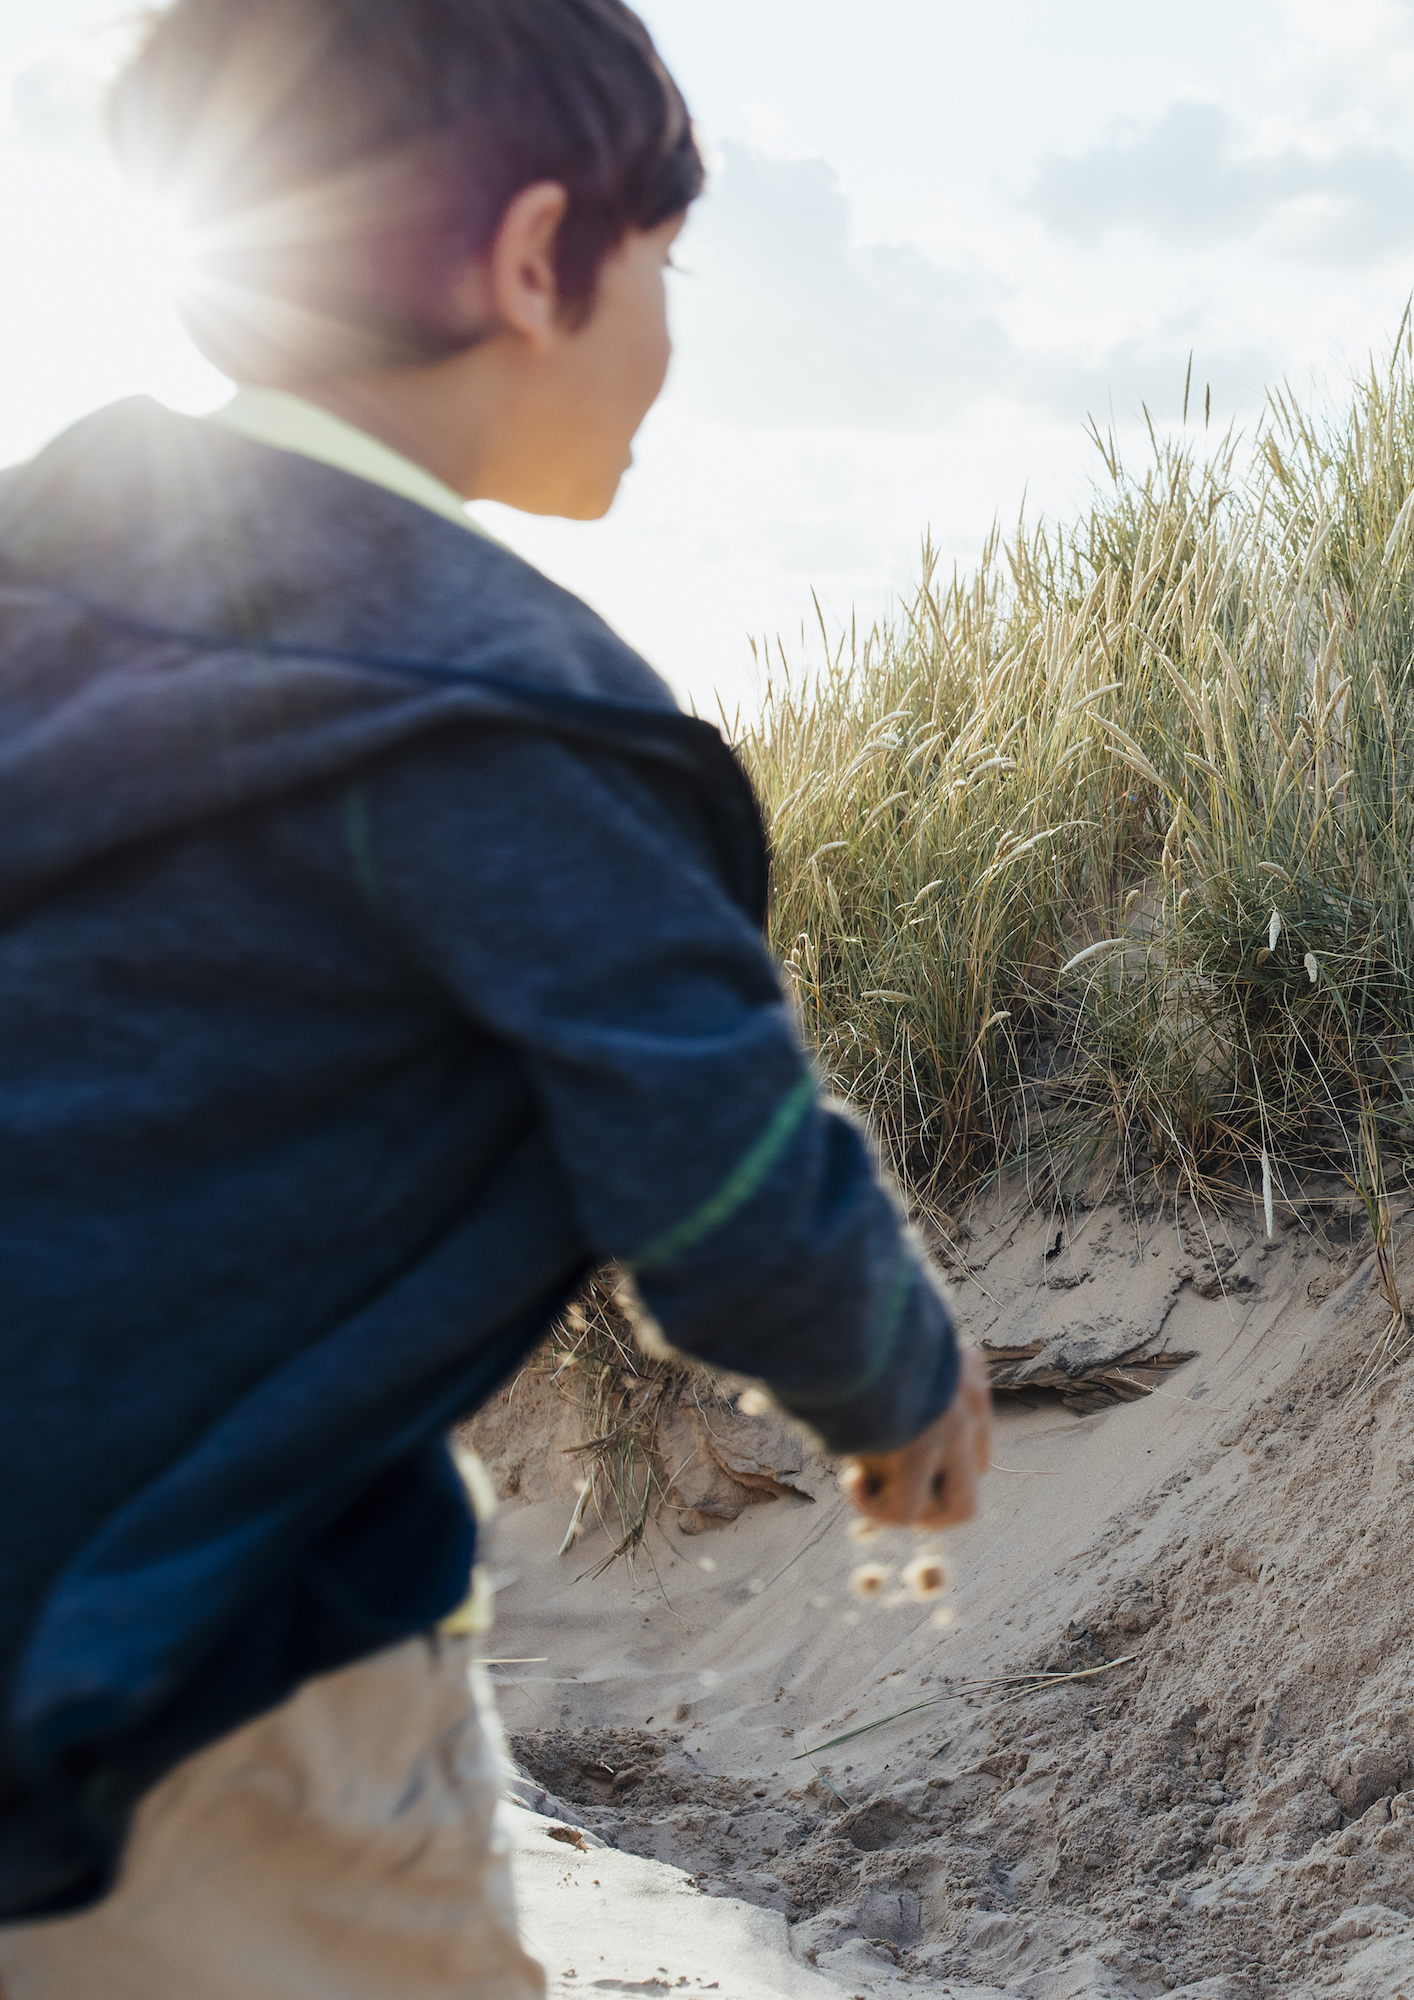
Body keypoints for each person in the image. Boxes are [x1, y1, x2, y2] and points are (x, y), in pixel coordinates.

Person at [0, 3, 990, 1994]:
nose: (671, 335)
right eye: (666, 266)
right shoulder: (493, 717)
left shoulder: (49, 607)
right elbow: (715, 1174)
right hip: (203, 1679)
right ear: (538, 260)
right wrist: (901, 1384)